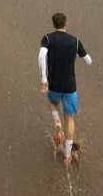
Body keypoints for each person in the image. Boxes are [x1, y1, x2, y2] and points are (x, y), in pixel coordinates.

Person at [38, 12, 92, 166]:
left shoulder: (48, 38)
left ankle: (56, 122)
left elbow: (42, 56)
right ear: (66, 24)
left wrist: (44, 80)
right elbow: (89, 61)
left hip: (54, 84)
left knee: (52, 102)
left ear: (54, 24)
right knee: (69, 118)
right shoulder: (75, 41)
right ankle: (68, 155)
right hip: (70, 86)